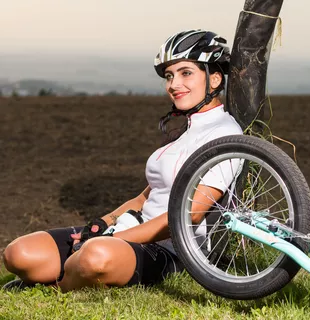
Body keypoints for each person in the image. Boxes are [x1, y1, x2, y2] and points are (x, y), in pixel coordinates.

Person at [2, 29, 242, 292]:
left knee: (96, 257)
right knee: (18, 254)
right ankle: (72, 269)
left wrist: (115, 239)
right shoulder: (184, 132)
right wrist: (103, 224)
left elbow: (190, 215)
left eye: (186, 73)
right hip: (128, 230)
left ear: (215, 79)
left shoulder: (225, 134)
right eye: (170, 76)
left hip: (169, 250)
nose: (173, 84)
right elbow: (145, 198)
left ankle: (55, 287)